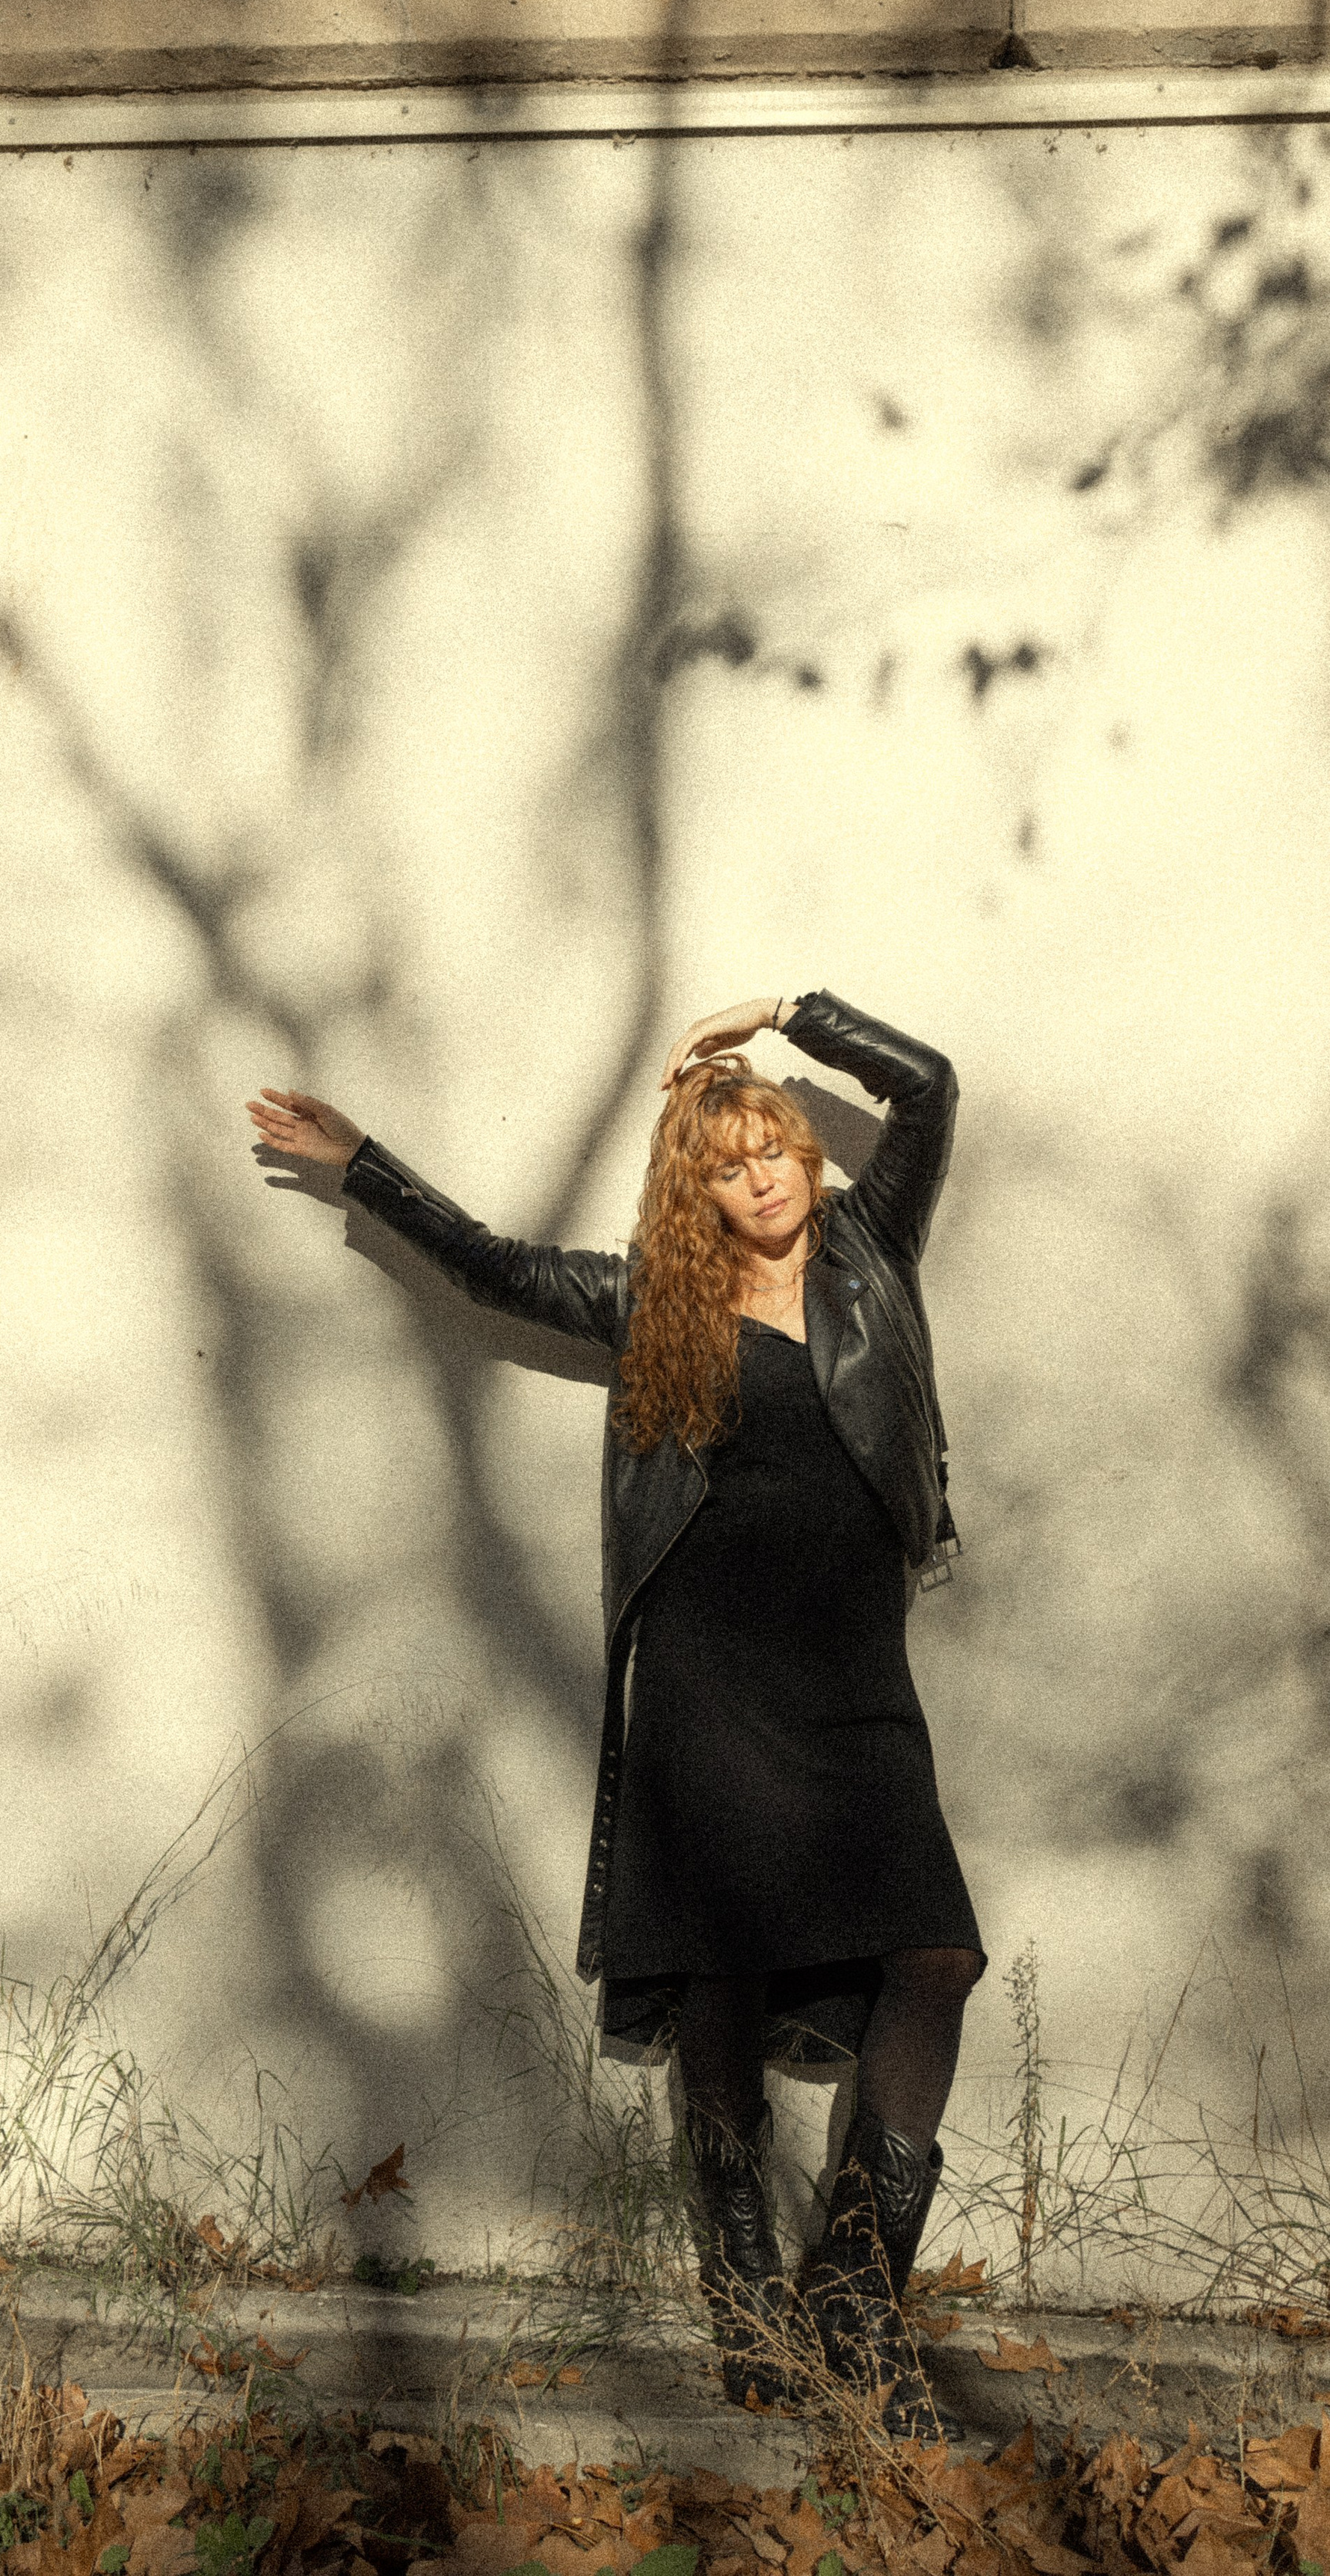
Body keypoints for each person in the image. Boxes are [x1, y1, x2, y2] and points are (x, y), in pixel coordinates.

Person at [245, 991, 985, 2438]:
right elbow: (495, 1268)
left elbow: (934, 1086)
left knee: (936, 1956)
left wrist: (789, 1017)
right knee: (718, 1985)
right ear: (694, 1188)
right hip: (707, 1686)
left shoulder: (873, 1256)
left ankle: (852, 2291)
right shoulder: (660, 1300)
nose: (764, 1175)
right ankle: (746, 2316)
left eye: (778, 1148)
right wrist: (366, 1167)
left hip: (856, 1688)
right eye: (730, 1163)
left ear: (808, 1161)